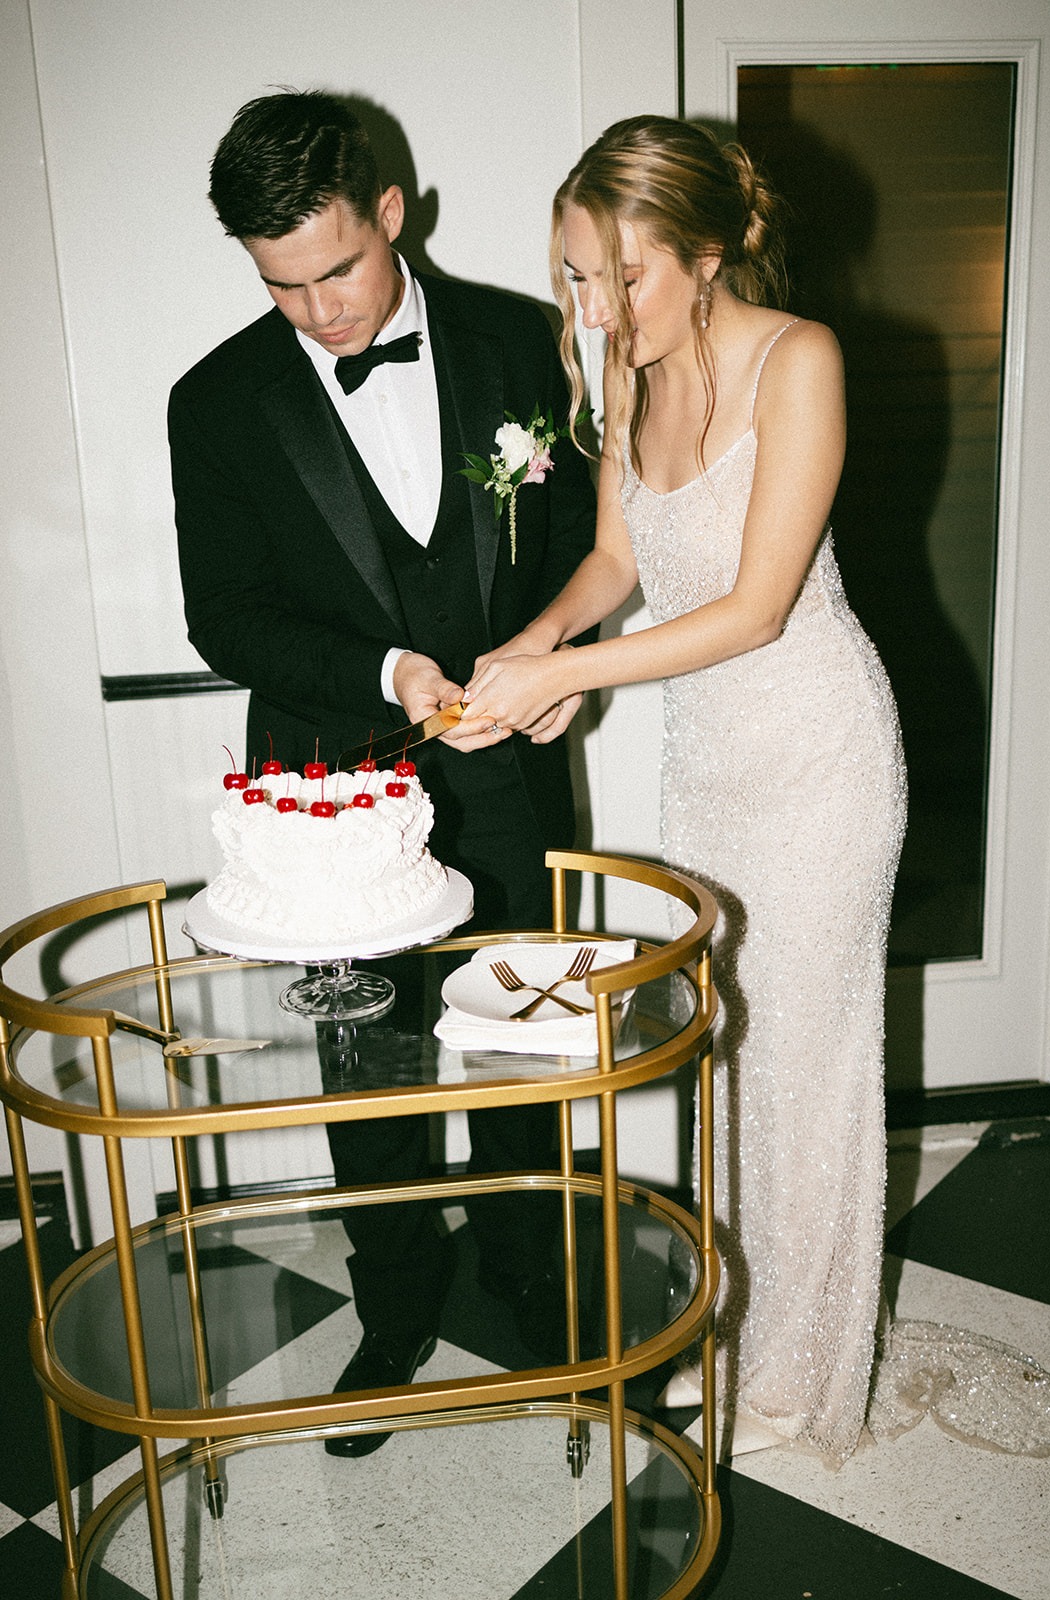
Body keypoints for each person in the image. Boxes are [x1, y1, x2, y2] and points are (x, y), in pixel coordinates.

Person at [463, 115, 908, 1465]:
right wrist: (541, 645)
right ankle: (744, 1330)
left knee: (808, 1070)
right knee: (731, 1058)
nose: (594, 310)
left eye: (619, 277)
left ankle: (798, 1377)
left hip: (820, 761)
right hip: (707, 767)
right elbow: (617, 561)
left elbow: (759, 605)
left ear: (707, 253)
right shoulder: (624, 377)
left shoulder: (800, 361)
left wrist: (573, 682)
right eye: (572, 280)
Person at [169, 91, 596, 1454]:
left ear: (392, 214)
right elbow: (223, 614)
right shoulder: (215, 400)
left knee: (522, 1038)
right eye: (282, 287)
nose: (323, 314)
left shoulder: (522, 341)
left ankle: (536, 1279)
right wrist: (386, 673)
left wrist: (556, 674)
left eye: (338, 270)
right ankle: (396, 1309)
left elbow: (586, 536)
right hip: (336, 799)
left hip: (512, 773)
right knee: (374, 1069)